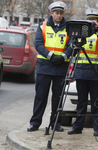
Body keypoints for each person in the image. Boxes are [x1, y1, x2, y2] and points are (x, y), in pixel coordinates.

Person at [27, 1, 73, 132]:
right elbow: (38, 44)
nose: (58, 15)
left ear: (63, 14)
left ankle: (55, 124)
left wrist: (63, 56)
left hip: (61, 66)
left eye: (60, 13)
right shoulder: (43, 26)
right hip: (45, 66)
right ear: (51, 13)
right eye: (56, 13)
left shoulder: (68, 27)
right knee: (41, 96)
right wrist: (52, 56)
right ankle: (35, 123)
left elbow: (71, 45)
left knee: (57, 97)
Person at [68, 8, 98, 136]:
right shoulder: (81, 33)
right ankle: (77, 126)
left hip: (95, 73)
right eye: (89, 19)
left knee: (96, 102)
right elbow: (71, 46)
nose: (92, 22)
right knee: (81, 101)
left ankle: (97, 128)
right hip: (81, 72)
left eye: (94, 19)